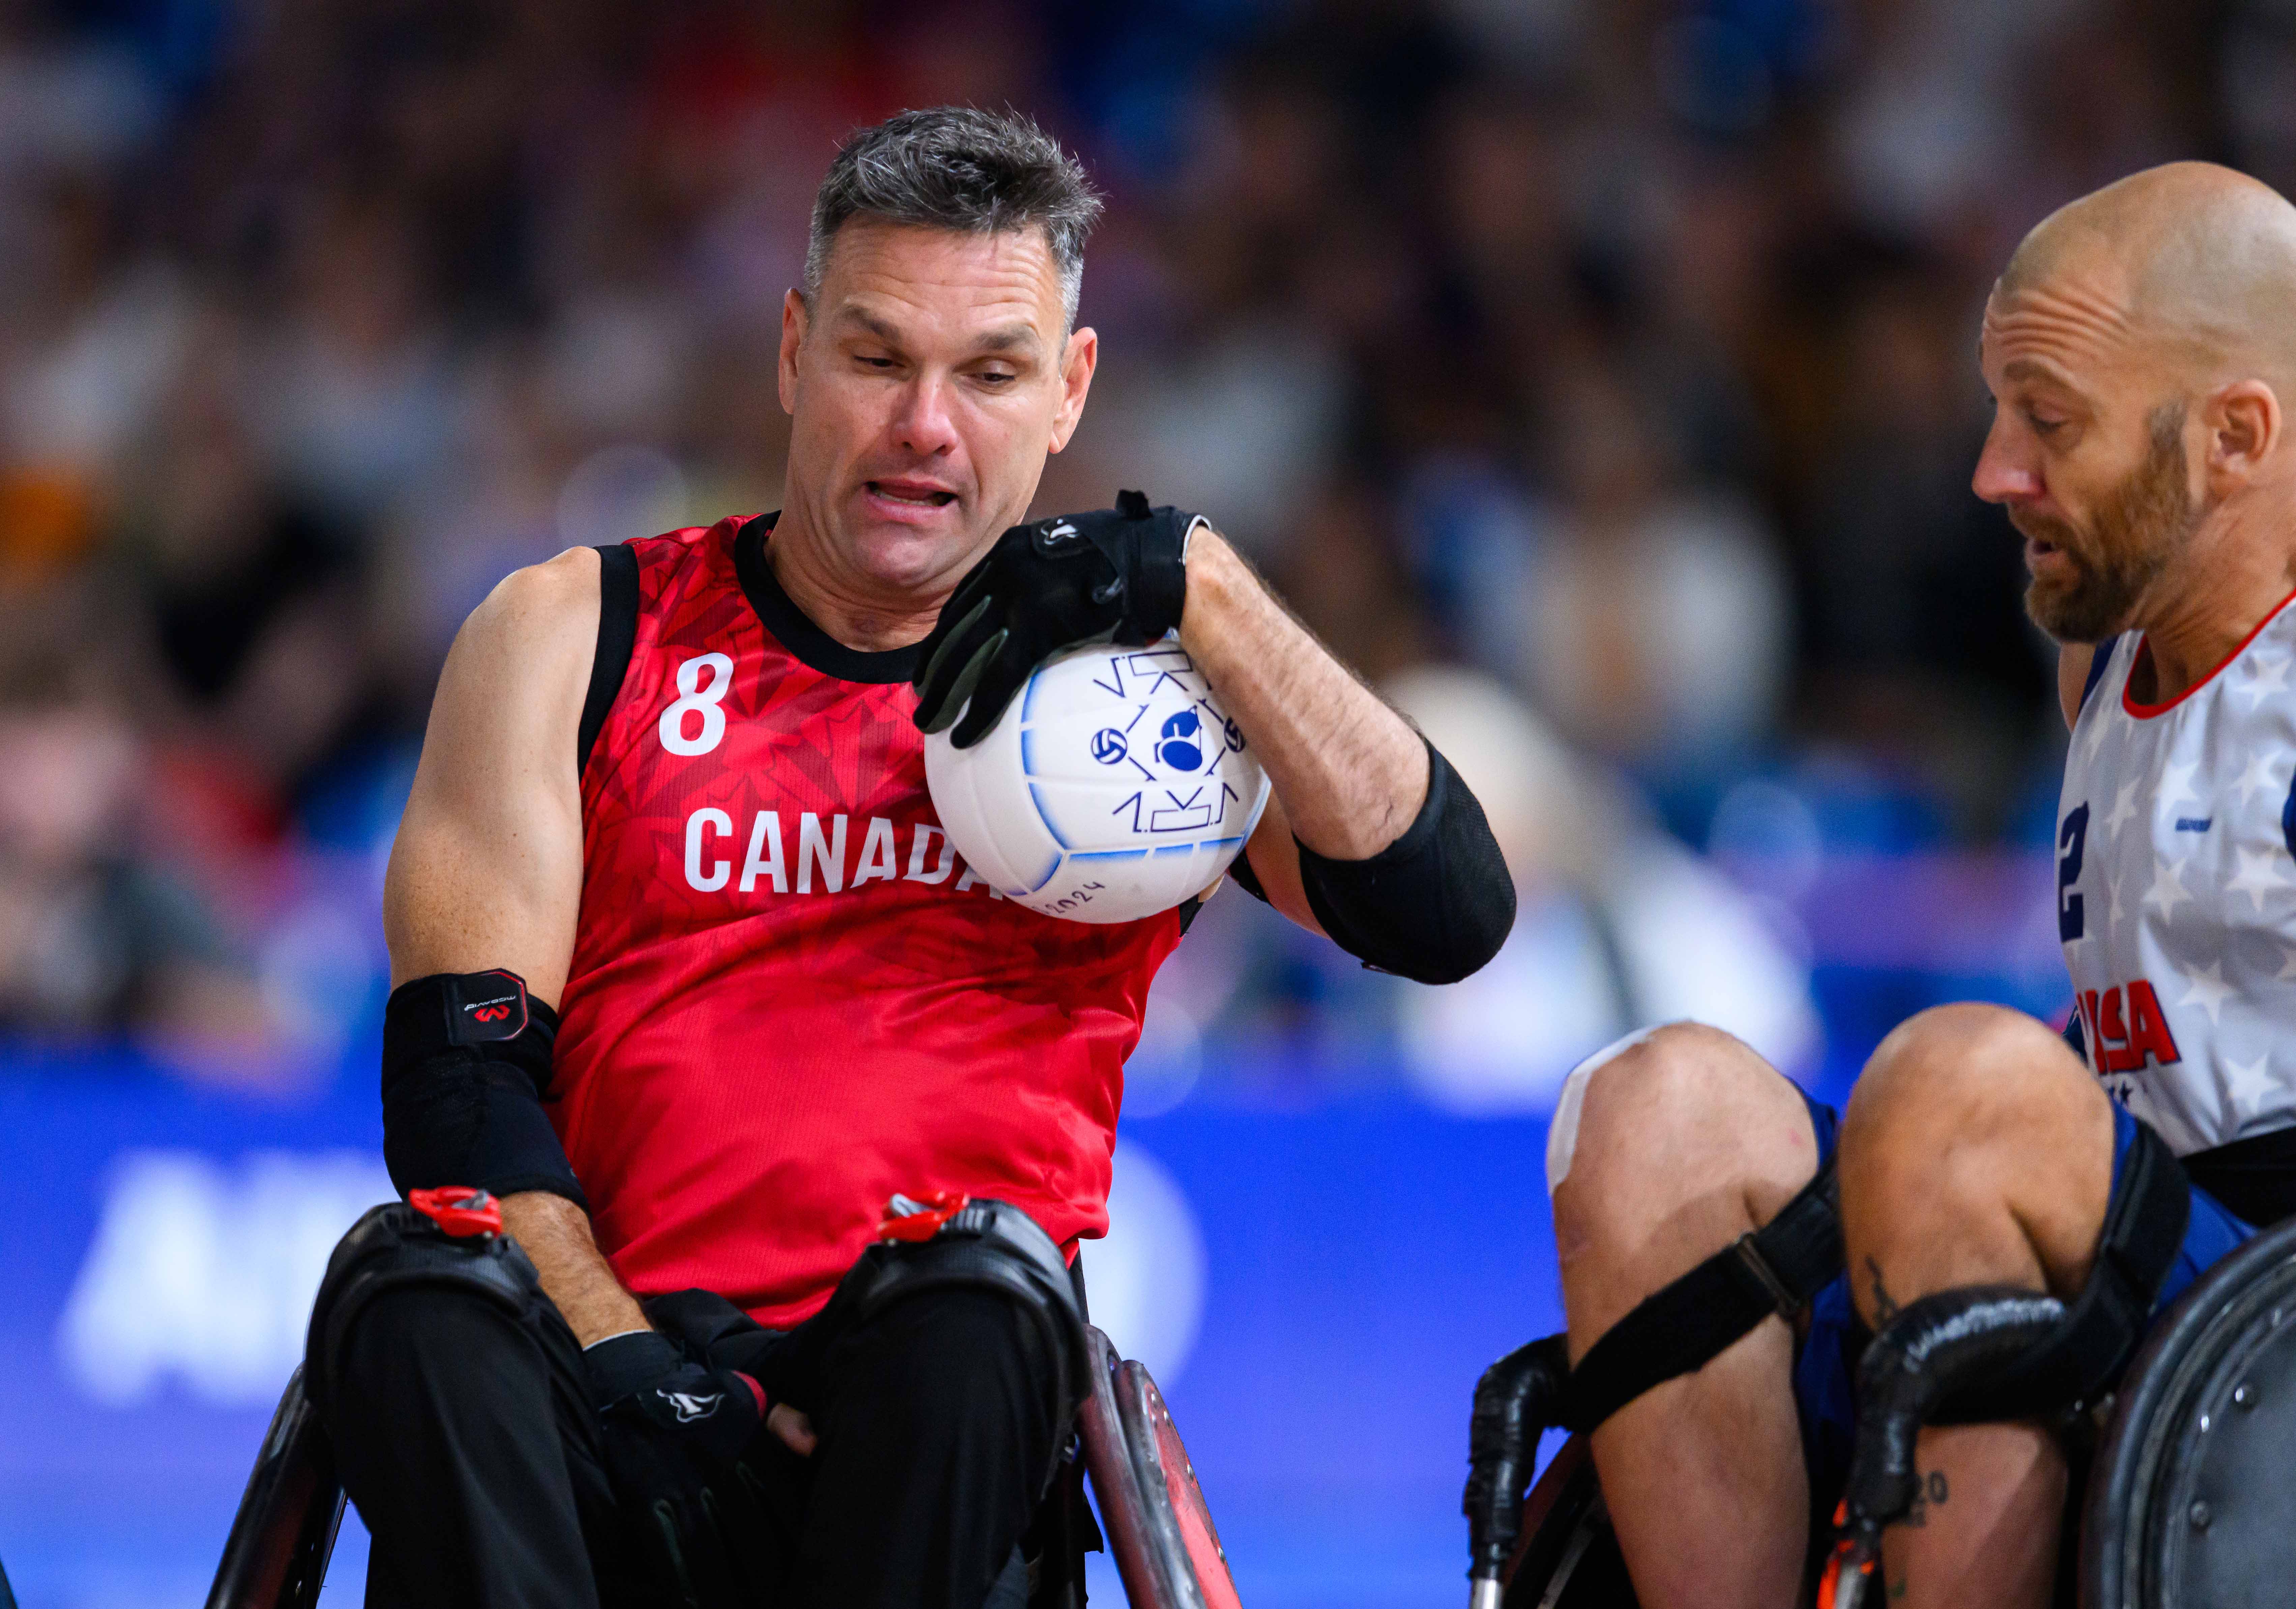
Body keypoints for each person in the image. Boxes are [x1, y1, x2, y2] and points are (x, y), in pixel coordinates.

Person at [321, 106, 1516, 1609]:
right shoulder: (573, 631)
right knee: (410, 1285)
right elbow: (460, 1091)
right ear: (791, 352)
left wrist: (1205, 588)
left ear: (1069, 388)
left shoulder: (1146, 701)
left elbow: (1448, 910)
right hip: (597, 1394)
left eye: (990, 373)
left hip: (944, 1407)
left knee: (976, 1304)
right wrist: (625, 1360)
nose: (924, 428)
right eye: (876, 359)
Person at [1542, 160, 2296, 1609]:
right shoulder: (2105, 654)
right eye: (1998, 405)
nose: (1990, 468)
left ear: (2234, 436)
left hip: (2261, 1312)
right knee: (1651, 1116)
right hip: (2125, 1242)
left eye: (2047, 419)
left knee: (1958, 1092)